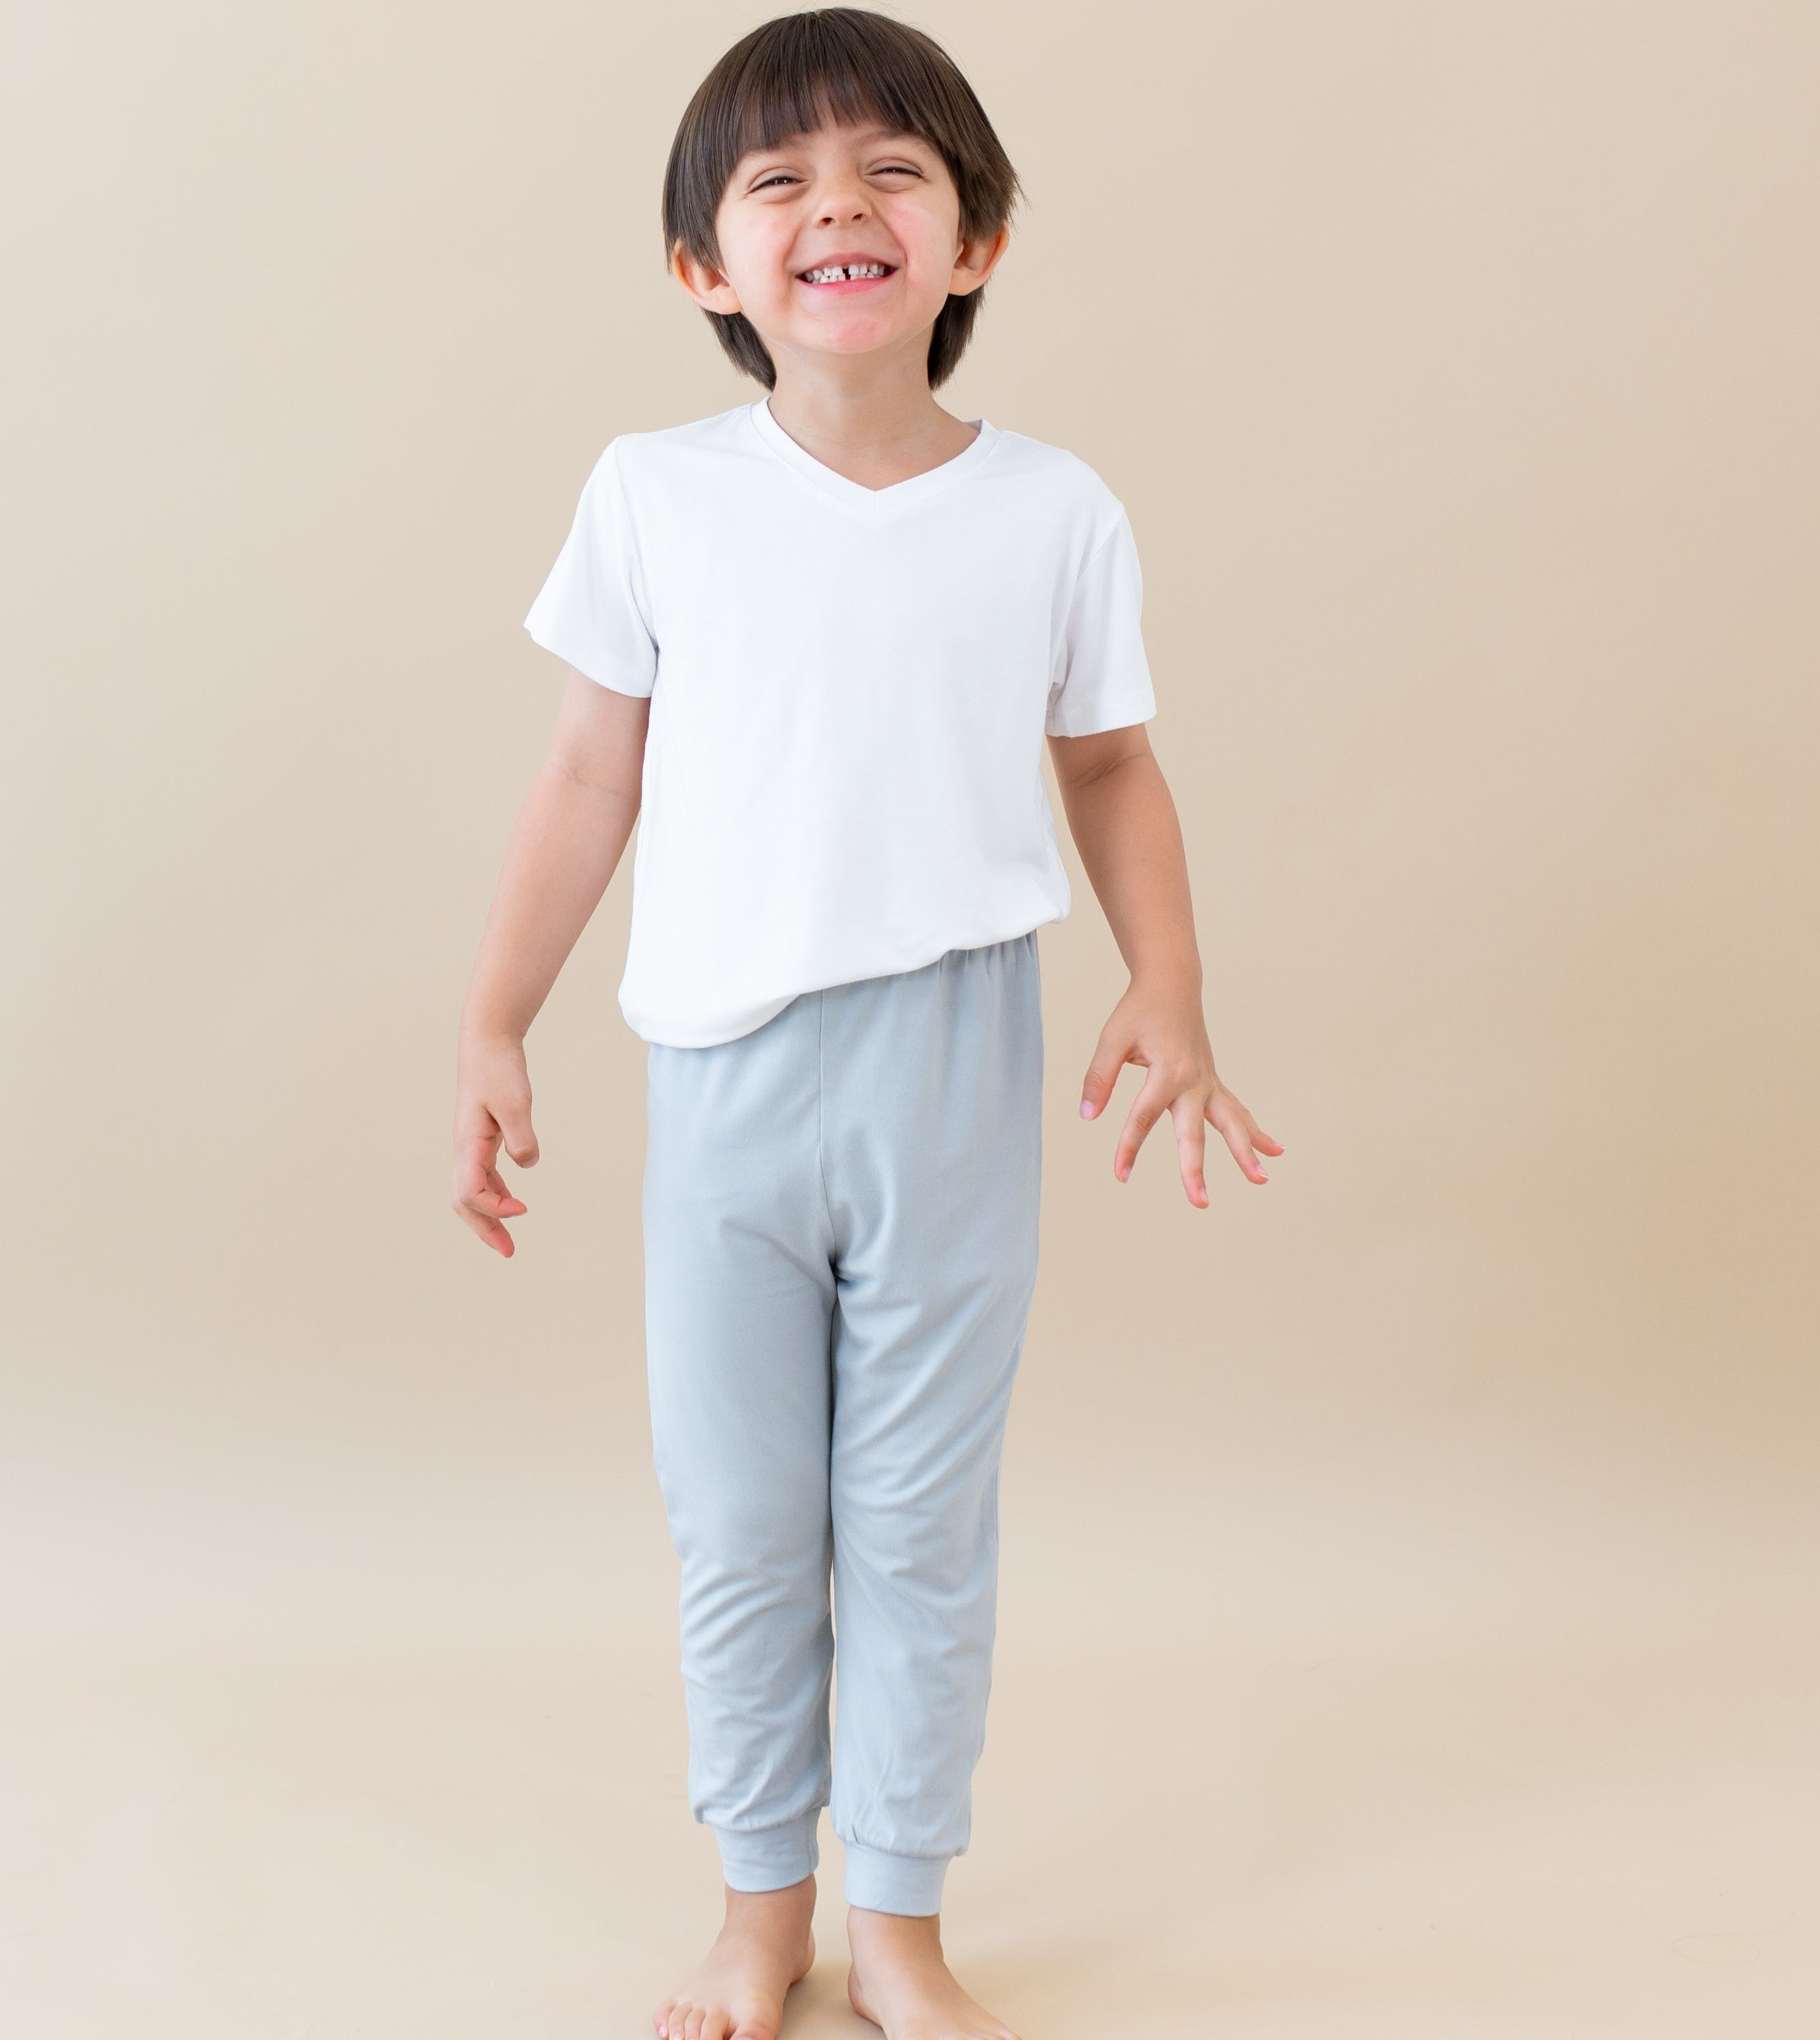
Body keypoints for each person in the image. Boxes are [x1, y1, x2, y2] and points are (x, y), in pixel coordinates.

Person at [451, 11, 1283, 2037]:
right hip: (726, 1081)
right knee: (741, 1514)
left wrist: (1169, 987)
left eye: (895, 171)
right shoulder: (656, 496)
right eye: (783, 182)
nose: (842, 205)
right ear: (705, 269)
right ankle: (761, 1908)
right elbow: (587, 777)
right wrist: (495, 1019)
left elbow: (1108, 767)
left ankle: (898, 1920)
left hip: (951, 1067)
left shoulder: (1050, 509)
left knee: (917, 1514)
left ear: (976, 239)